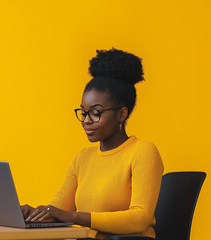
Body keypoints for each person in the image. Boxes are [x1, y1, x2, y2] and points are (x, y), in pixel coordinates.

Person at [21, 48, 164, 239]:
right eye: (83, 112)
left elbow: (140, 218)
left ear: (121, 114)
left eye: (96, 113)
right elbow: (59, 211)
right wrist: (35, 214)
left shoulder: (142, 151)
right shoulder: (83, 158)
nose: (86, 120)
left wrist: (74, 216)